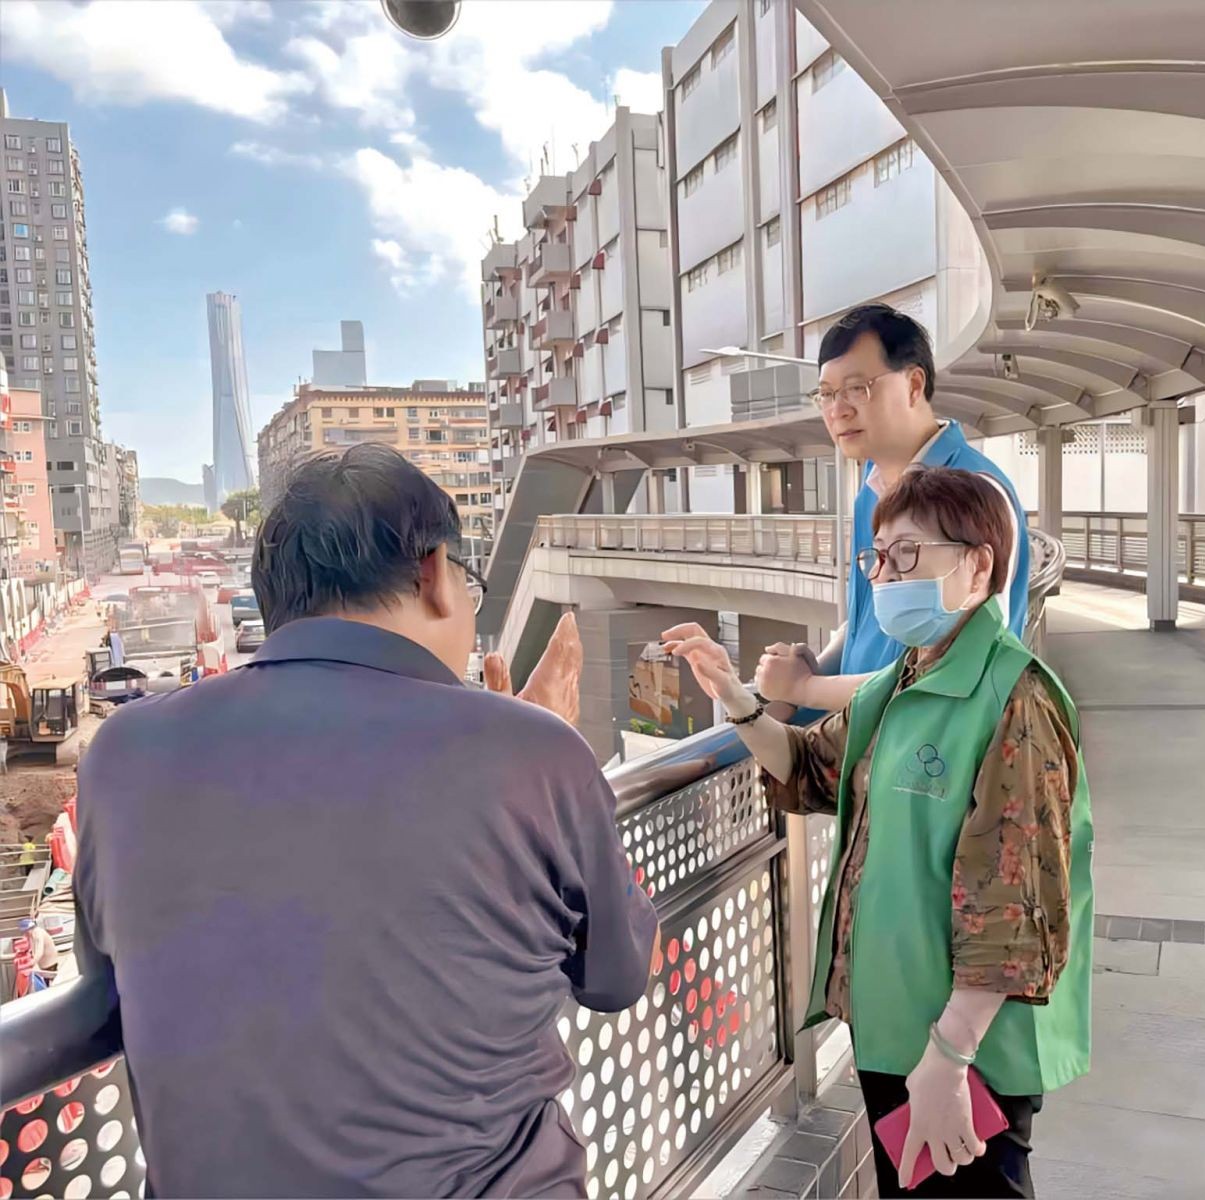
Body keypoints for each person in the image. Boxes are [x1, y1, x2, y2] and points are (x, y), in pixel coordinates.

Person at [60, 444, 657, 1197]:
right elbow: (615, 977)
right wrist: (542, 760)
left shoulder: (123, 750)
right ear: (435, 574)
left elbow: (106, 974)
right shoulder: (533, 752)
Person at [664, 467, 1092, 1198]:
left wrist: (949, 1058)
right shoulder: (904, 679)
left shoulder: (1011, 697)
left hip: (965, 1048)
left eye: (905, 556)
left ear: (976, 564)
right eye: (877, 558)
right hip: (899, 1030)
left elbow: (1016, 909)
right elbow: (810, 767)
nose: (884, 578)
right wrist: (734, 698)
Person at [753, 303, 1031, 714]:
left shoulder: (975, 491)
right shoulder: (872, 485)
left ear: (914, 385)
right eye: (826, 394)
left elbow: (962, 672)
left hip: (936, 757)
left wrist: (807, 690)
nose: (838, 410)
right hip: (873, 743)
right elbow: (867, 619)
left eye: (856, 388)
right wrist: (814, 670)